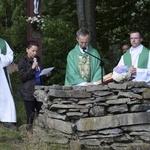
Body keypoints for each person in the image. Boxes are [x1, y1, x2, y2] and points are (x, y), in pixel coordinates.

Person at [18, 40, 50, 137]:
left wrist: (46, 75)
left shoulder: (38, 60)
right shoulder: (22, 61)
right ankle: (29, 136)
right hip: (29, 92)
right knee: (30, 115)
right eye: (33, 51)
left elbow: (39, 75)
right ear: (27, 50)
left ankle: (42, 135)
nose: (35, 53)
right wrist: (32, 68)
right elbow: (23, 77)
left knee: (42, 113)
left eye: (36, 51)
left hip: (40, 90)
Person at [0, 38, 17, 128]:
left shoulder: (3, 43)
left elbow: (10, 57)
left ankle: (7, 119)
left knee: (4, 96)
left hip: (1, 75)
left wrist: (1, 57)